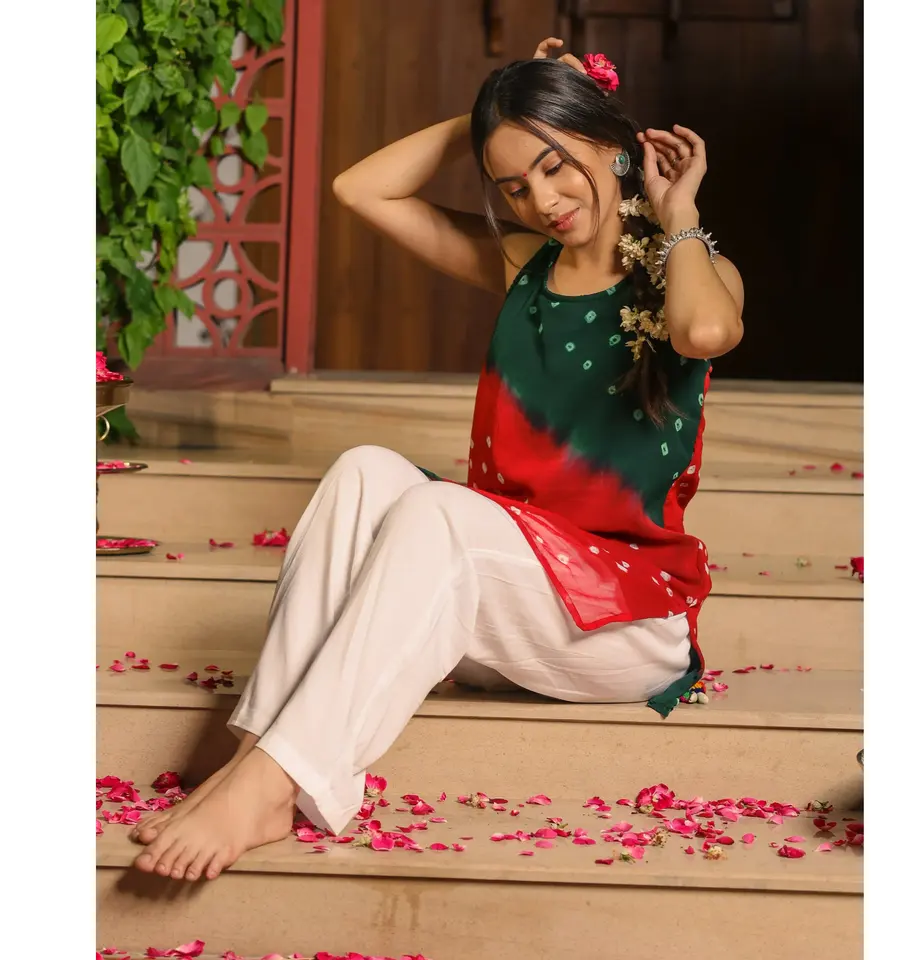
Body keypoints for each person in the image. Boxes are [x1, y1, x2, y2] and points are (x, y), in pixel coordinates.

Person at [130, 38, 744, 883]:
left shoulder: (695, 272)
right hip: (506, 606)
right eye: (515, 186)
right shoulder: (525, 264)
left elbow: (705, 332)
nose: (544, 200)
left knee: (439, 510)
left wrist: (679, 217)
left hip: (625, 623)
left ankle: (274, 781)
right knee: (364, 470)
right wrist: (497, 110)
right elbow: (361, 189)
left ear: (614, 146)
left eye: (557, 166)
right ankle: (254, 761)